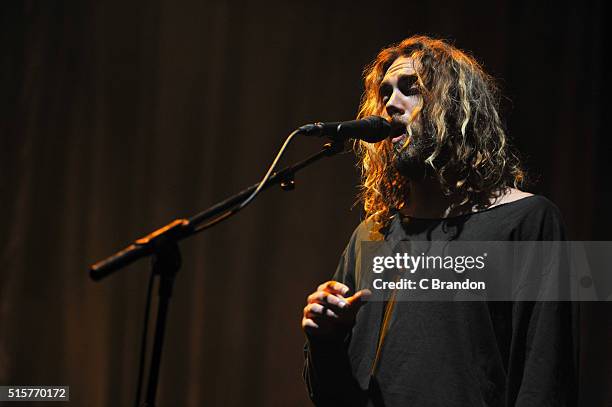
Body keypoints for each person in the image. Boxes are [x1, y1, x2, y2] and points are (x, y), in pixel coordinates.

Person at [301, 36, 576, 406]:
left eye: (410, 90)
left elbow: (546, 376)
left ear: (453, 106)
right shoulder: (371, 235)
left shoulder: (527, 221)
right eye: (384, 94)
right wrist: (325, 340)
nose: (390, 105)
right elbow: (332, 397)